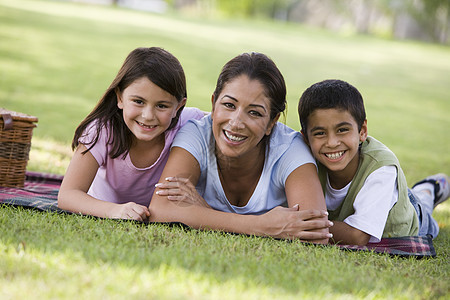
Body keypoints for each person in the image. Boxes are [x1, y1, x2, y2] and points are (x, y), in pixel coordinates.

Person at [149, 52, 332, 243]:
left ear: (272, 122)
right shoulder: (197, 134)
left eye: (254, 112)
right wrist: (261, 226)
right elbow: (160, 210)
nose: (236, 123)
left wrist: (203, 213)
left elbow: (316, 234)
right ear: (213, 105)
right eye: (229, 105)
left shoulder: (290, 150)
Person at [58, 47, 204, 221]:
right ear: (120, 98)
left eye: (162, 106)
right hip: (105, 206)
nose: (148, 116)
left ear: (178, 107)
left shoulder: (190, 121)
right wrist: (115, 211)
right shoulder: (101, 130)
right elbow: (68, 194)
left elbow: (225, 120)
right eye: (138, 101)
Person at [298, 79, 449, 245]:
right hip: (381, 196)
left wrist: (297, 225)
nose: (332, 142)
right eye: (320, 133)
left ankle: (429, 189)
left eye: (342, 130)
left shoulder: (381, 168)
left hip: (410, 218)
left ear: (362, 131)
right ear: (305, 139)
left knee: (422, 206)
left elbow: (357, 236)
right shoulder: (303, 162)